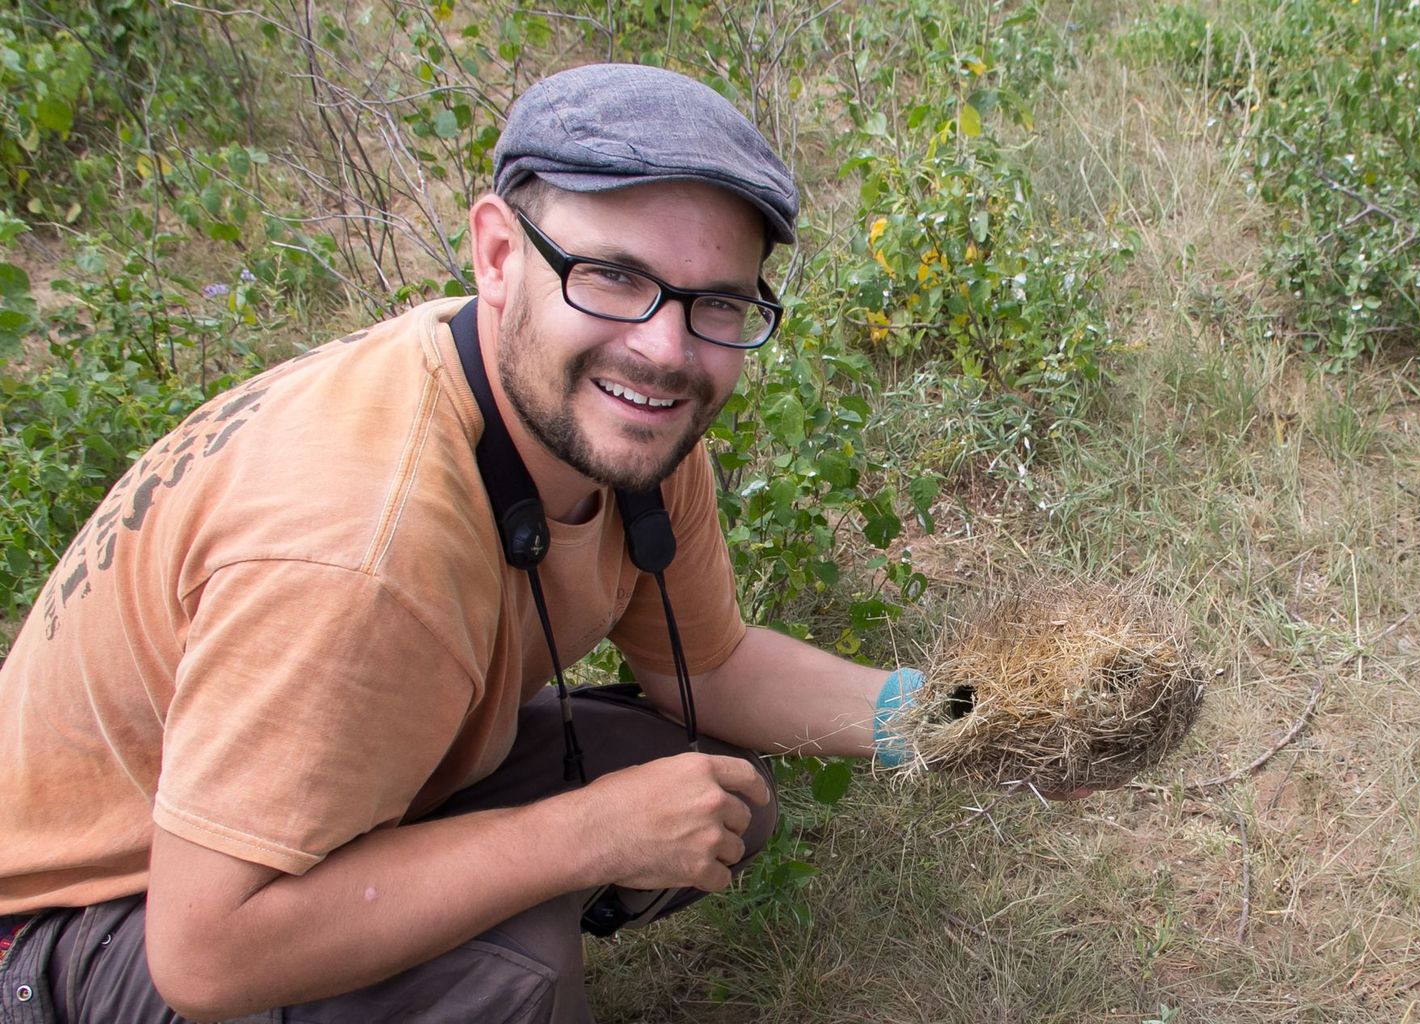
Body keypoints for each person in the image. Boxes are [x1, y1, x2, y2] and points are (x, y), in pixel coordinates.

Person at [0, 63, 932, 1023]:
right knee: (507, 973)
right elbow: (204, 956)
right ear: (496, 254)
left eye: (717, 304)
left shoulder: (618, 420)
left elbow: (717, 665)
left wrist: (960, 722)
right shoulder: (363, 540)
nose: (665, 350)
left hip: (268, 831)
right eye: (612, 275)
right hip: (77, 923)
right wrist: (588, 837)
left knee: (717, 785)